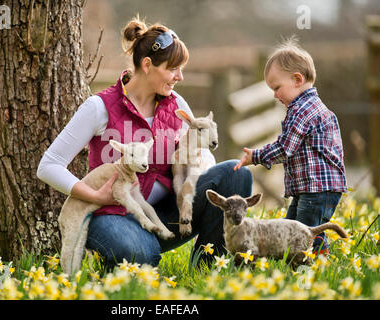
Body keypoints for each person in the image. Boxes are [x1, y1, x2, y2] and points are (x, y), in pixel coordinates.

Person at [37, 17, 253, 269]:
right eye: (173, 69)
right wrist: (95, 195)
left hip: (166, 211)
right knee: (139, 254)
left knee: (236, 175)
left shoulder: (177, 105)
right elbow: (49, 165)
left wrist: (199, 162)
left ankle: (208, 266)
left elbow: (201, 154)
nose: (180, 77)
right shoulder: (100, 107)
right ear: (148, 65)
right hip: (113, 215)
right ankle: (139, 249)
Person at [234, 37, 347, 255]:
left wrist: (256, 156)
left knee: (302, 233)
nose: (275, 95)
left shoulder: (301, 111)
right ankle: (305, 263)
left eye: (277, 88)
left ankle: (311, 267)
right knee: (290, 227)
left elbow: (285, 148)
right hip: (317, 188)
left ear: (297, 79)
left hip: (317, 189)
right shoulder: (314, 107)